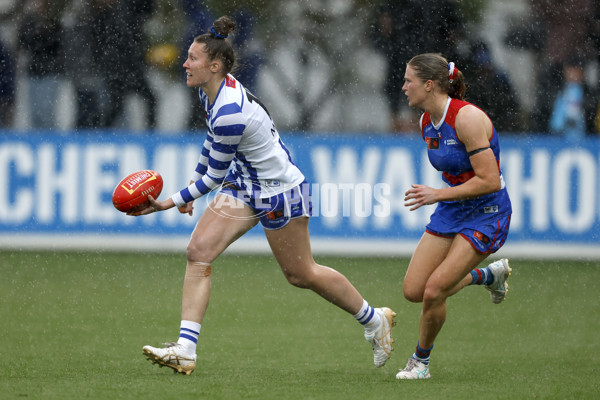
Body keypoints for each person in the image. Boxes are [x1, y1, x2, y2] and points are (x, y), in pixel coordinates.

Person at [129, 16, 396, 375]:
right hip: (245, 185)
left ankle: (373, 319)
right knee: (198, 252)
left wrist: (168, 202)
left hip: (280, 192)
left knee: (301, 274)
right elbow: (210, 148)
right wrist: (190, 186)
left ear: (215, 66)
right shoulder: (212, 91)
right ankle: (186, 350)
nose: (184, 63)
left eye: (192, 58)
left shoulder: (228, 112)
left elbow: (214, 177)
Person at [396, 53, 512, 380]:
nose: (404, 86)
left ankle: (420, 363)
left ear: (429, 85)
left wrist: (437, 194)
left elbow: (490, 180)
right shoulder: (425, 123)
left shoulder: (467, 119)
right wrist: (443, 198)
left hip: (487, 212)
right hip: (453, 210)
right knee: (414, 290)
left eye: (409, 81)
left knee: (434, 291)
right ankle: (487, 277)